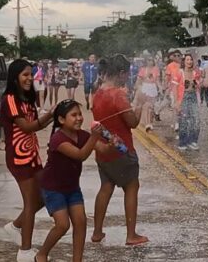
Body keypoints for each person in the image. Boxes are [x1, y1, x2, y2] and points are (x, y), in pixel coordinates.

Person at [36, 100, 111, 262]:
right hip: (53, 188)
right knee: (63, 225)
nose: (78, 118)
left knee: (81, 222)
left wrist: (111, 142)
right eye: (73, 115)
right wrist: (94, 137)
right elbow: (80, 155)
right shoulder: (58, 139)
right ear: (62, 120)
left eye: (80, 114)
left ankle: (77, 260)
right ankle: (42, 254)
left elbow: (102, 149)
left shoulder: (82, 135)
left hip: (72, 188)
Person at [91, 55, 150, 246]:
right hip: (122, 151)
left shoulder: (98, 92)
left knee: (106, 187)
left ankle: (97, 232)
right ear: (122, 73)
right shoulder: (117, 95)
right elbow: (132, 122)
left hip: (103, 150)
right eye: (127, 73)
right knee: (132, 187)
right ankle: (131, 235)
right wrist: (140, 104)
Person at [0, 59, 55, 261]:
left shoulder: (27, 98)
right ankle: (25, 251)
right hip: (18, 156)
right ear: (15, 77)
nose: (29, 78)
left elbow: (35, 125)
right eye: (25, 74)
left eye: (31, 74)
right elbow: (27, 127)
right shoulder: (10, 99)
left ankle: (15, 226)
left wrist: (51, 116)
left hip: (32, 155)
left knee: (43, 197)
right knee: (31, 202)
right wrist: (50, 114)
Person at [177, 54, 201, 151]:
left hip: (193, 96)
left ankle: (193, 141)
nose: (189, 61)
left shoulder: (196, 73)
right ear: (184, 61)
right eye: (187, 60)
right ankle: (183, 142)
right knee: (184, 120)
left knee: (196, 120)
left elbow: (198, 87)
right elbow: (174, 87)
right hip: (183, 97)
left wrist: (198, 82)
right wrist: (176, 102)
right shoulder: (180, 72)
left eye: (191, 59)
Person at [136, 58, 160, 132]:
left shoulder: (156, 69)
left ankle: (150, 121)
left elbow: (157, 81)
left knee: (151, 107)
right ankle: (147, 123)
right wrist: (139, 88)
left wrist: (160, 88)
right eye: (148, 60)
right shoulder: (143, 69)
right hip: (145, 87)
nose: (150, 62)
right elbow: (139, 81)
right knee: (146, 105)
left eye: (151, 60)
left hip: (153, 88)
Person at [165, 50, 183, 131]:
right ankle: (176, 123)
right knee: (175, 106)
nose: (177, 57)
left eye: (178, 55)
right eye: (175, 55)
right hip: (174, 88)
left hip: (183, 89)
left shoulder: (184, 65)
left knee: (181, 108)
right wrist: (166, 87)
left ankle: (180, 122)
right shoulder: (170, 66)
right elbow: (167, 78)